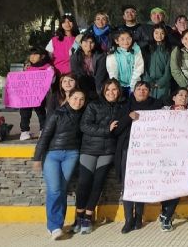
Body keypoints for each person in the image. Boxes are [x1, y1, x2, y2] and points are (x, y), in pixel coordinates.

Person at [75, 79, 127, 234]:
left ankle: (88, 216)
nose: (111, 93)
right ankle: (78, 215)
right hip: (89, 149)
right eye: (108, 90)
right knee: (84, 182)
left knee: (98, 183)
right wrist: (106, 129)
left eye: (114, 90)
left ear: (119, 91)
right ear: (103, 91)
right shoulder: (93, 105)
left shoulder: (122, 107)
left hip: (108, 151)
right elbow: (84, 126)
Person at [32, 89, 86, 240]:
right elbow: (45, 137)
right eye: (75, 98)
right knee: (54, 190)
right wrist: (37, 158)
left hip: (72, 154)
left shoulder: (83, 115)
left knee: (62, 190)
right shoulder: (57, 114)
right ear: (68, 98)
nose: (78, 102)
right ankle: (53, 226)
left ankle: (58, 225)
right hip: (53, 155)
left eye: (81, 99)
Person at [115, 81, 163, 234]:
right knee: (128, 185)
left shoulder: (156, 106)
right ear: (133, 91)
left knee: (141, 183)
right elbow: (116, 131)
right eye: (139, 89)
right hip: (127, 150)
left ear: (149, 91)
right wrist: (128, 118)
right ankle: (128, 219)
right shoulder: (125, 107)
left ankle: (138, 217)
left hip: (147, 152)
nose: (142, 91)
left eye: (145, 89)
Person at [158, 88, 188, 232]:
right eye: (180, 95)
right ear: (173, 97)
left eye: (186, 96)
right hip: (166, 153)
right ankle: (164, 211)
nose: (183, 98)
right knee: (166, 184)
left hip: (185, 154)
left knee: (179, 184)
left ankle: (167, 216)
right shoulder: (164, 111)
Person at [20, 47, 54, 140]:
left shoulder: (48, 67)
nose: (32, 57)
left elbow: (52, 80)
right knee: (24, 113)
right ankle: (24, 132)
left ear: (42, 56)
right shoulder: (28, 67)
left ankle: (43, 130)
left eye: (35, 54)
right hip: (27, 96)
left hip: (40, 96)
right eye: (31, 54)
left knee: (41, 112)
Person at [105, 29, 144, 97]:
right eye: (122, 39)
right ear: (117, 41)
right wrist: (116, 87)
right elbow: (113, 72)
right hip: (119, 85)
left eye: (128, 38)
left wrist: (133, 86)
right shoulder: (112, 54)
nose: (126, 42)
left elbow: (138, 69)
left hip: (134, 84)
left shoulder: (136, 50)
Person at [70, 33, 108, 101]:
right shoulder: (75, 57)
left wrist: (99, 93)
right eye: (86, 41)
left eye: (91, 42)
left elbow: (100, 76)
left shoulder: (101, 57)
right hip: (82, 85)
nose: (88, 44)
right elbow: (77, 75)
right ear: (81, 44)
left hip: (97, 85)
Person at [142, 25, 173, 104]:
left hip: (163, 83)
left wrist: (161, 82)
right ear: (152, 34)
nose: (159, 35)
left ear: (165, 34)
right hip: (149, 83)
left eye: (162, 33)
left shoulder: (168, 49)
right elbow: (143, 67)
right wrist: (148, 81)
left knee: (161, 105)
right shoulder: (146, 48)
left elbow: (168, 69)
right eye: (156, 33)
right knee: (148, 104)